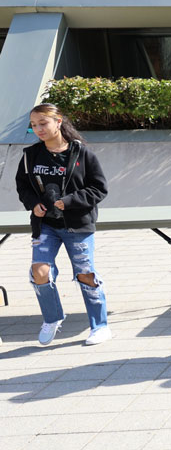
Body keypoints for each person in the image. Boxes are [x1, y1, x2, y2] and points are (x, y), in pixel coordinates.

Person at [15, 104, 110, 346]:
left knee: (85, 274)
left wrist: (68, 202)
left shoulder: (82, 154)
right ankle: (52, 318)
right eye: (34, 125)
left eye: (43, 123)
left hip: (77, 225)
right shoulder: (30, 156)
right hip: (44, 225)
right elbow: (23, 186)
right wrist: (33, 204)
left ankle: (99, 326)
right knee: (40, 272)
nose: (38, 129)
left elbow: (99, 189)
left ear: (58, 122)